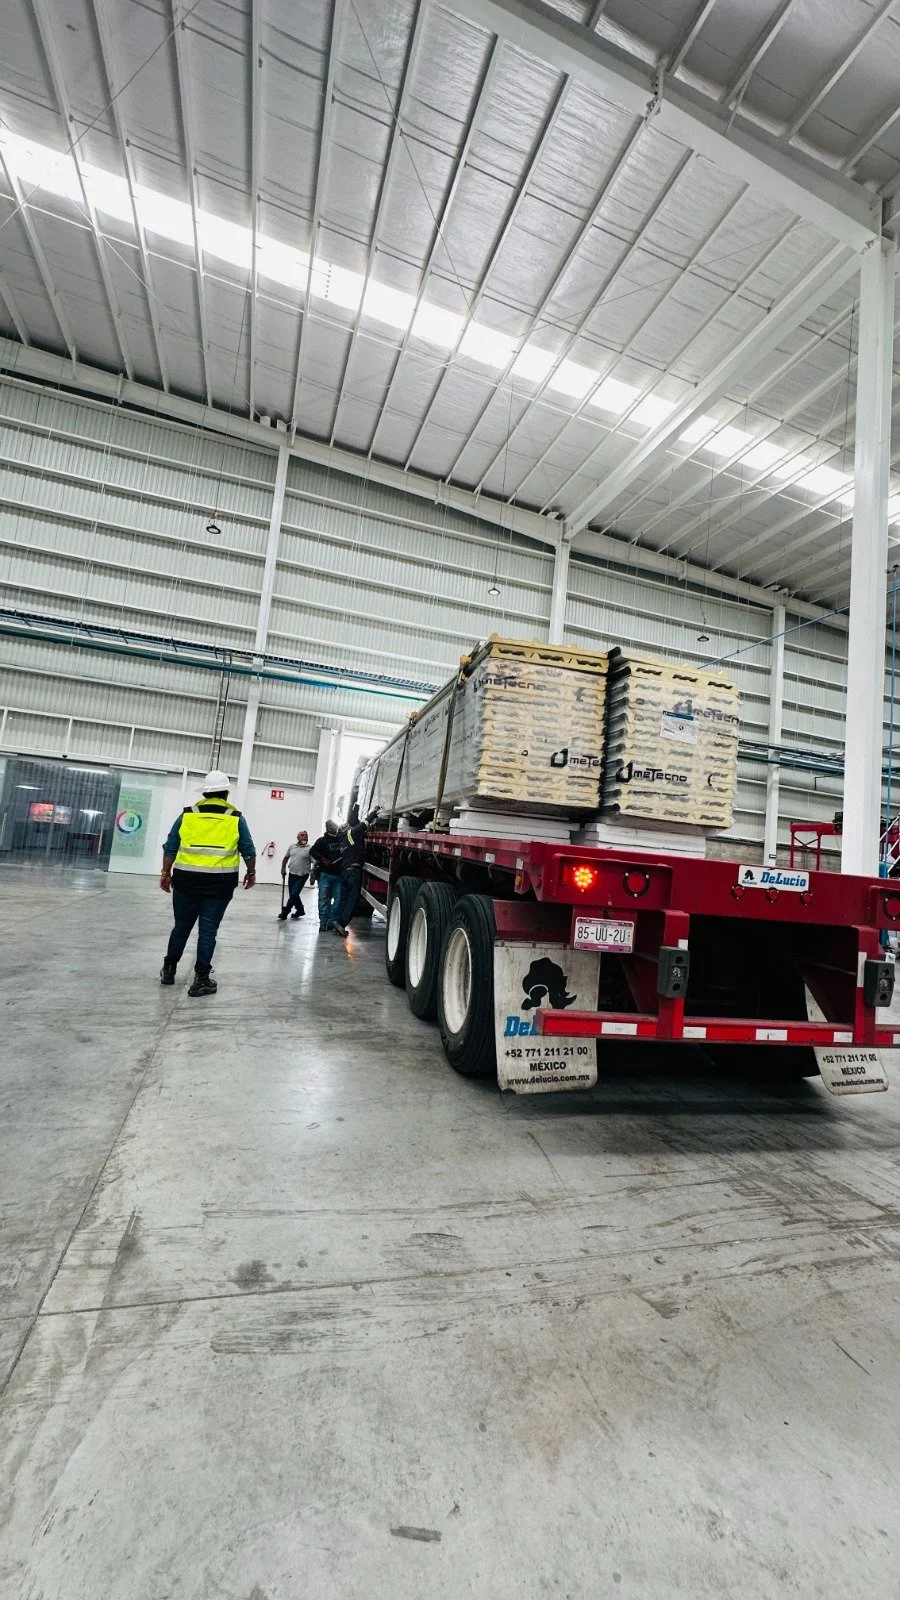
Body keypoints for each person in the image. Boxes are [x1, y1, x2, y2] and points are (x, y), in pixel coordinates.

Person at [159, 769, 256, 997]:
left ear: (205, 793)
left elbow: (171, 846)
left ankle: (169, 970)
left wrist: (165, 872)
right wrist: (251, 872)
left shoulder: (187, 815)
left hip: (185, 881)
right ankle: (201, 979)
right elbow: (248, 850)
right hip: (219, 884)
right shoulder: (235, 818)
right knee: (208, 931)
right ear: (226, 794)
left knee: (181, 927)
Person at [331, 813, 369, 938]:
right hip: (353, 871)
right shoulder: (351, 834)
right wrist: (374, 812)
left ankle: (337, 922)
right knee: (352, 900)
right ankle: (341, 924)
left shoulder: (342, 841)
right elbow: (364, 825)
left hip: (345, 872)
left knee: (343, 899)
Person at [309, 819, 345, 931]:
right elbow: (312, 851)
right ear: (329, 828)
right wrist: (322, 859)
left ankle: (331, 921)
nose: (336, 827)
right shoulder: (322, 841)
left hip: (338, 875)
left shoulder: (341, 839)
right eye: (334, 825)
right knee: (323, 899)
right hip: (325, 875)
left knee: (338, 899)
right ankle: (323, 923)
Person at [279, 829, 311, 921]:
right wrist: (283, 868)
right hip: (292, 874)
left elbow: (314, 861)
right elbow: (286, 858)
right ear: (298, 837)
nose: (304, 837)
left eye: (306, 835)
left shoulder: (310, 848)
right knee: (294, 894)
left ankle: (285, 912)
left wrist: (313, 873)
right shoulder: (292, 846)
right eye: (302, 835)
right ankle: (300, 910)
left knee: (294, 894)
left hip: (303, 875)